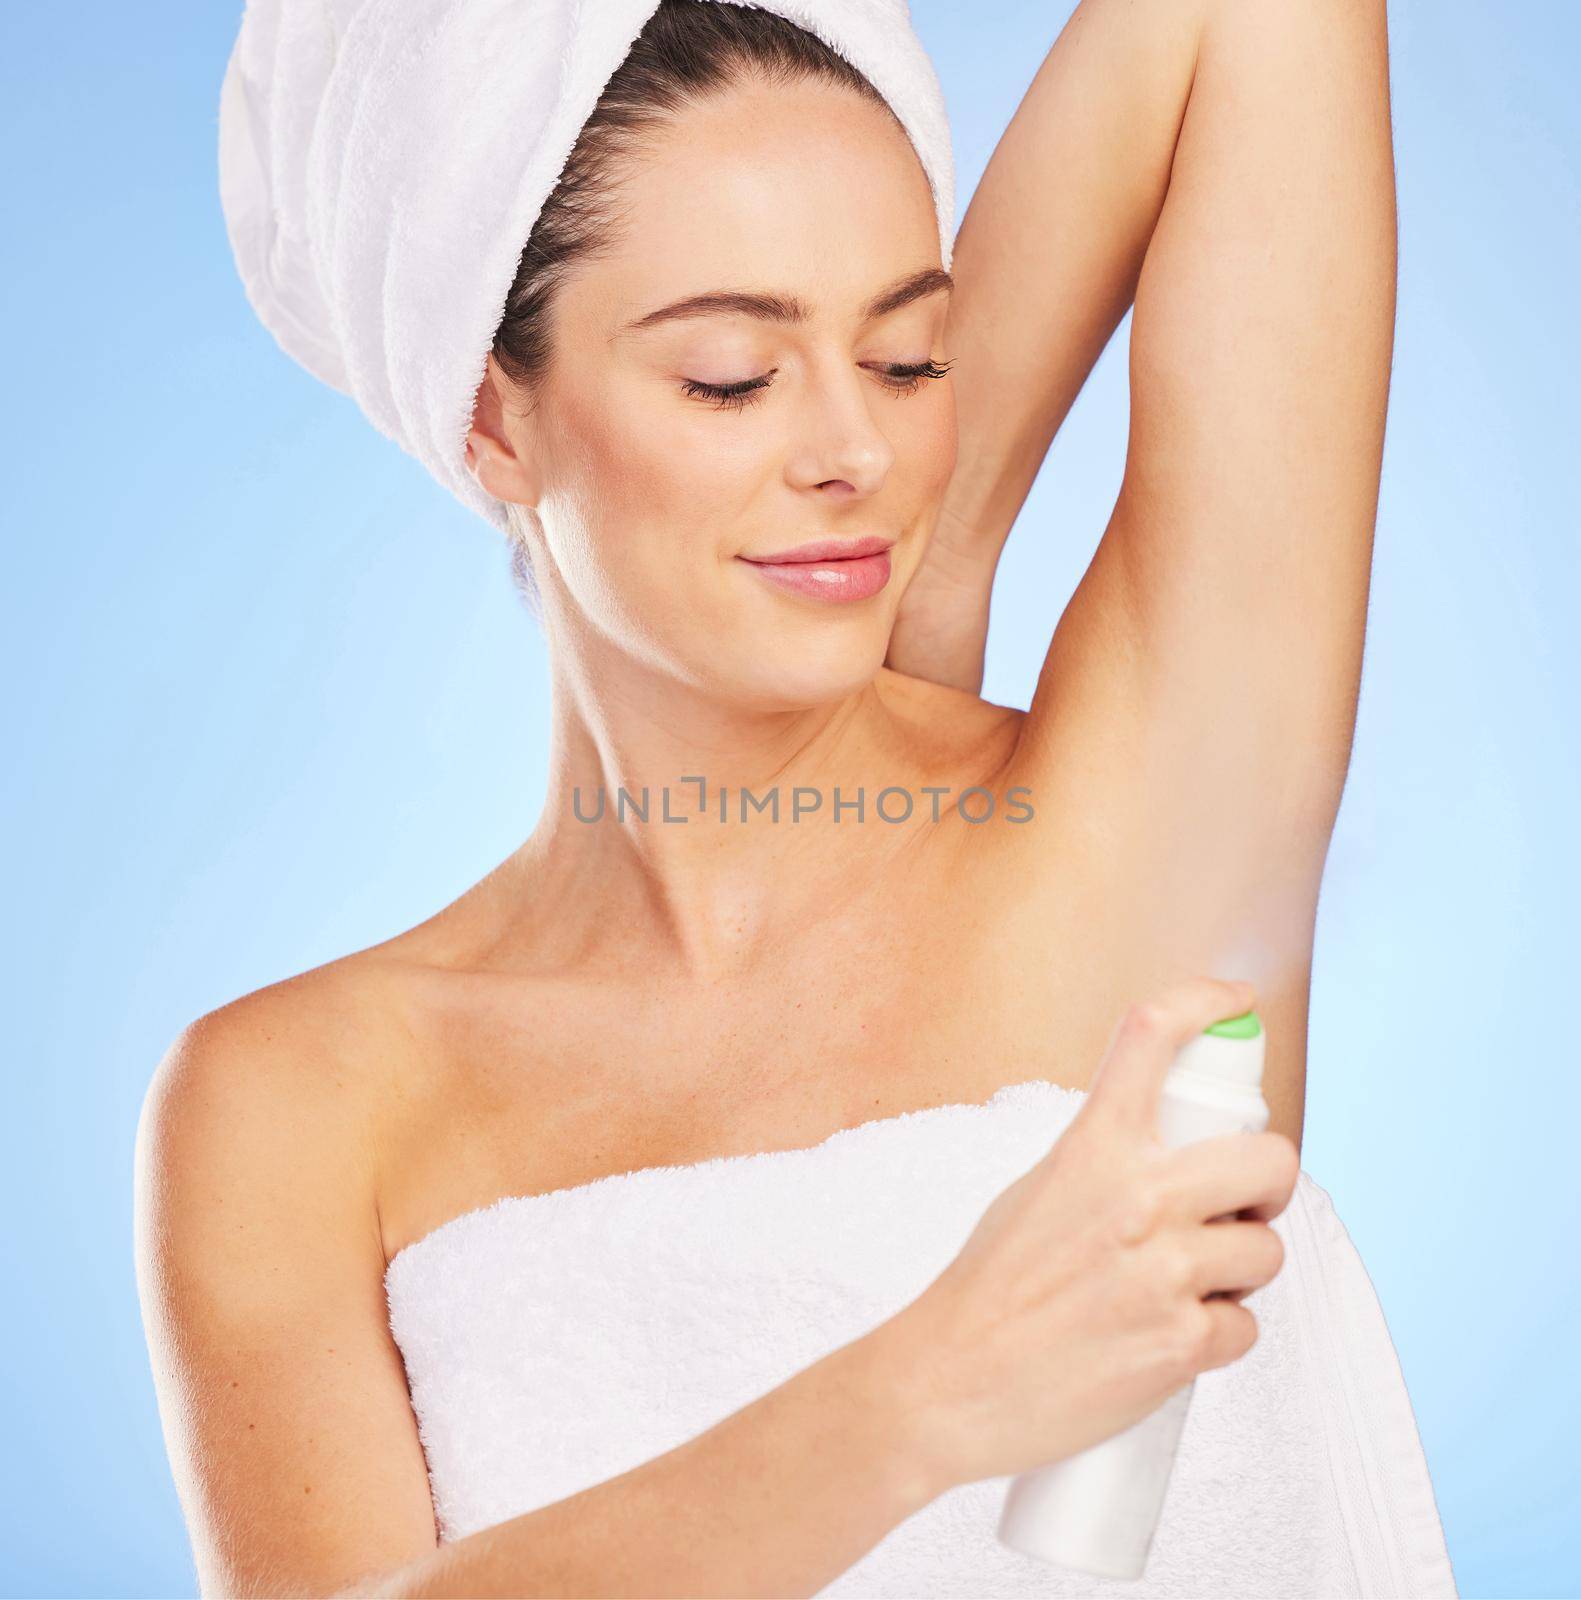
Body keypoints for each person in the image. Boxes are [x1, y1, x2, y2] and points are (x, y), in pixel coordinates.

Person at [136, 1, 1455, 1595]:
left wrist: (939, 531)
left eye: (908, 358)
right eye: (733, 377)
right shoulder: (295, 1111)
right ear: (495, 414)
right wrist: (924, 1397)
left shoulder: (1126, 839)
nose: (852, 447)